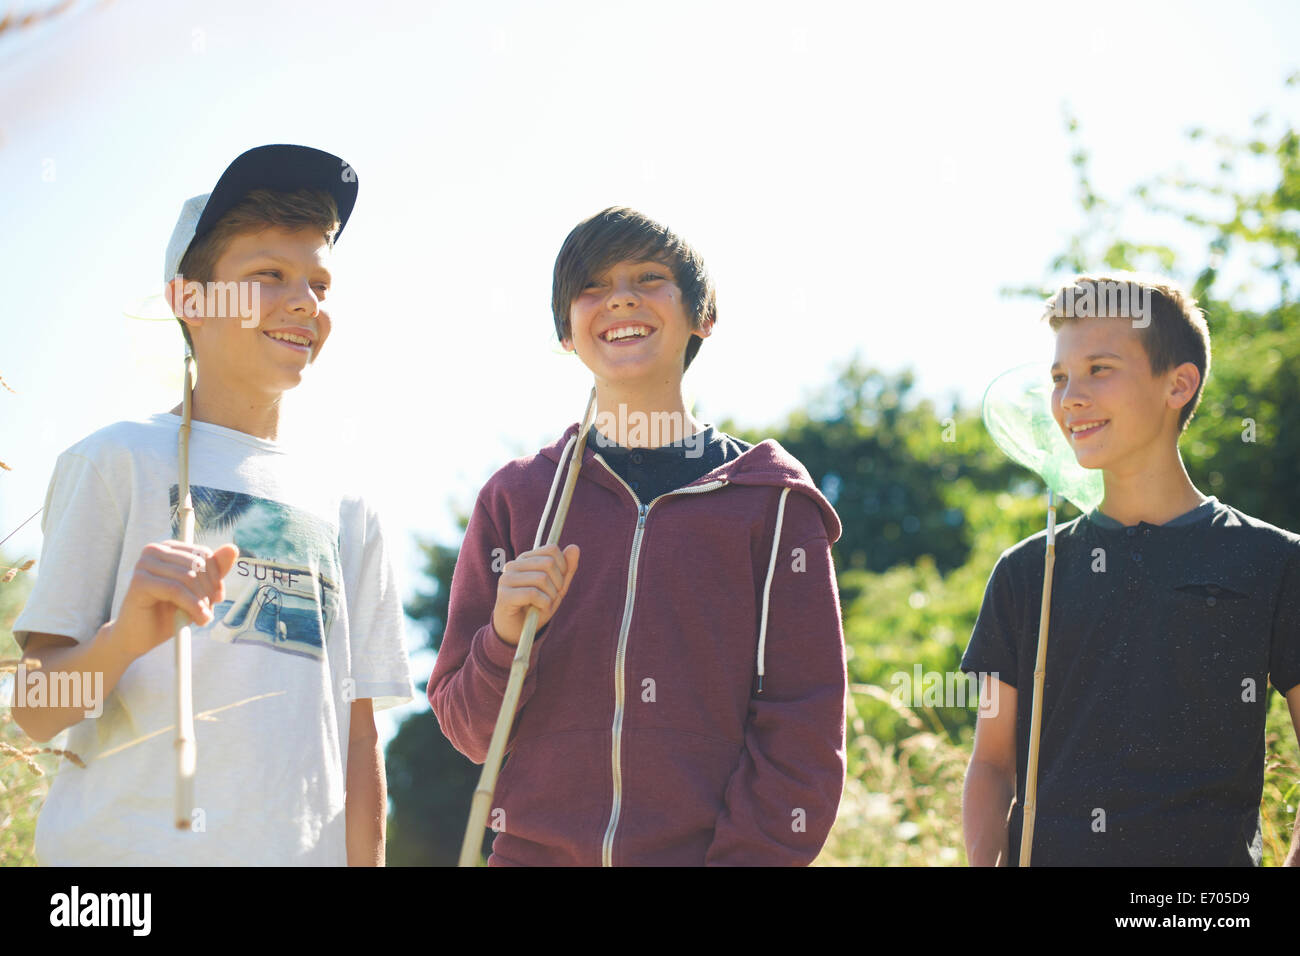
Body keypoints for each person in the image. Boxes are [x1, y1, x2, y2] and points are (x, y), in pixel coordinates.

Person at [11, 145, 413, 865]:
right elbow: (38, 711)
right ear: (190, 300)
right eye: (269, 276)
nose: (304, 302)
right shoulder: (115, 460)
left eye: (319, 283)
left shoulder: (352, 507)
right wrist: (125, 636)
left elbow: (357, 740)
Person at [428, 206, 847, 865]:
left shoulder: (772, 502)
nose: (620, 296)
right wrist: (504, 639)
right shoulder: (517, 499)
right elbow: (469, 730)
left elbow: (804, 725)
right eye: (592, 286)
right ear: (566, 332)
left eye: (649, 277)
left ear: (703, 316)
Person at [961, 273, 1300, 866]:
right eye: (1060, 378)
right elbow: (992, 763)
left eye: (1099, 369)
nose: (1070, 399)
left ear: (1179, 385)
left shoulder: (1274, 562)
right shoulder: (1025, 573)